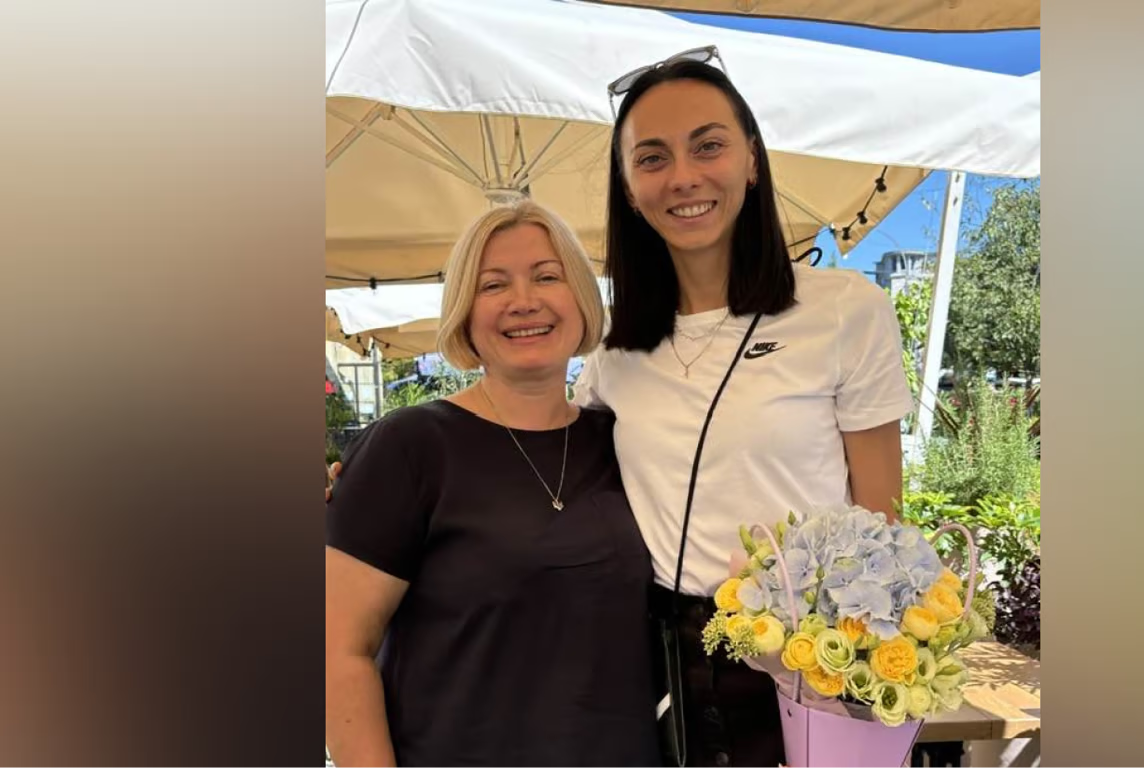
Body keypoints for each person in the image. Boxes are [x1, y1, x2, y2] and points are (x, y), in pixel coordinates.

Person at [573, 53, 915, 768]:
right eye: (652, 158)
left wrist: (858, 678)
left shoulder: (845, 309)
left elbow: (883, 524)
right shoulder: (613, 351)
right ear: (630, 189)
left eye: (709, 145)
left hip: (801, 665)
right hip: (658, 660)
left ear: (752, 160)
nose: (684, 177)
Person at [324, 200, 661, 768]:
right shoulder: (409, 446)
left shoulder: (624, 439)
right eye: (493, 285)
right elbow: (337, 649)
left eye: (547, 276)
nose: (523, 301)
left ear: (580, 297)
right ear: (464, 314)